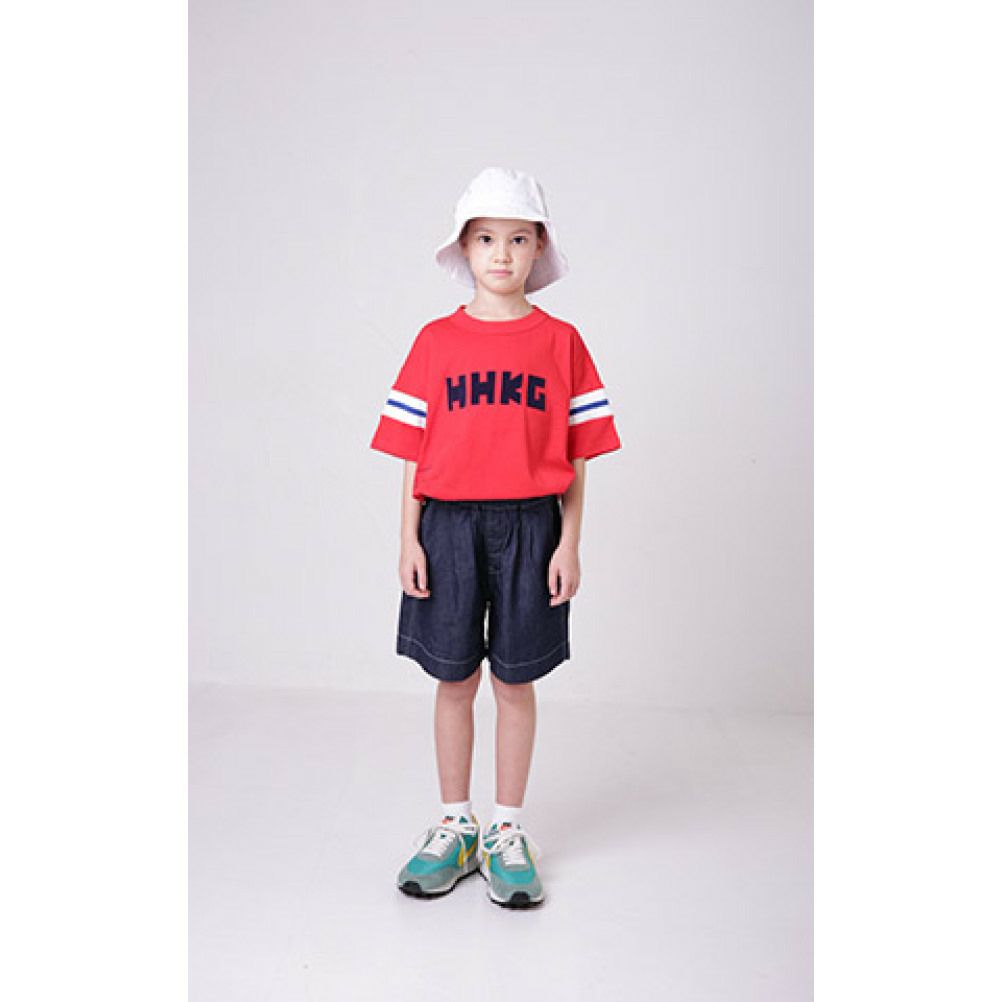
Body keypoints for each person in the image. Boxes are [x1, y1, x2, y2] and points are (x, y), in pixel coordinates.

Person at [369, 166, 622, 908]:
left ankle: (508, 829)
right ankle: (456, 823)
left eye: (516, 239)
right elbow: (413, 453)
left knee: (515, 681)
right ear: (464, 249)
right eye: (485, 239)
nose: (501, 254)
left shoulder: (561, 343)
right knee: (454, 679)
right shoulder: (435, 342)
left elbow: (578, 455)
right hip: (448, 525)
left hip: (531, 526)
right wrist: (409, 539)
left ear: (538, 248)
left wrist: (569, 542)